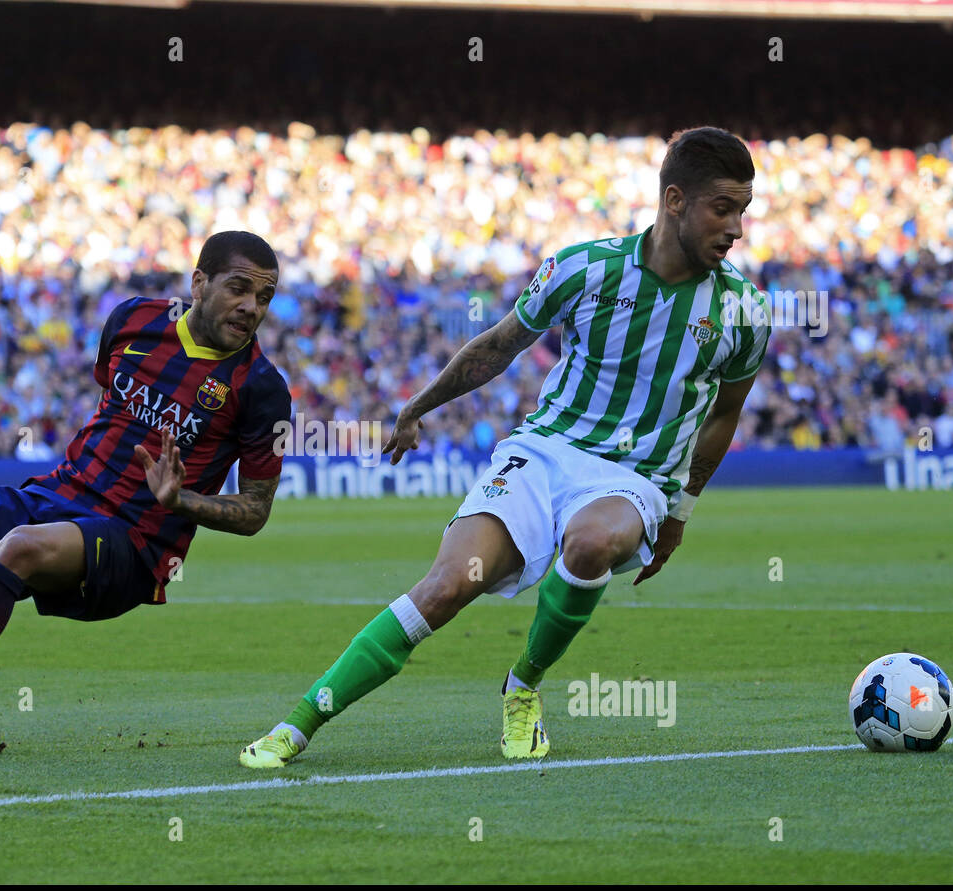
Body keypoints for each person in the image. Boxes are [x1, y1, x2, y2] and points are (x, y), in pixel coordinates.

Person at [240, 127, 771, 768]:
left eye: (743, 210)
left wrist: (681, 511)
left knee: (593, 542)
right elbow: (498, 344)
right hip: (544, 452)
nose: (736, 227)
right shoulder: (585, 267)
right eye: (724, 208)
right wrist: (419, 406)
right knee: (444, 588)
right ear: (675, 200)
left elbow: (725, 414)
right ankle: (296, 726)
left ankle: (523, 684)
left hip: (634, 476)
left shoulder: (744, 309)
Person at [0, 231, 291, 760]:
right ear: (199, 282)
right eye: (239, 288)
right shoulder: (132, 320)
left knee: (19, 547)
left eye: (264, 297)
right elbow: (109, 399)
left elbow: (254, 511)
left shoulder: (262, 388)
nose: (251, 307)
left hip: (135, 542)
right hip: (61, 492)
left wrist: (181, 502)